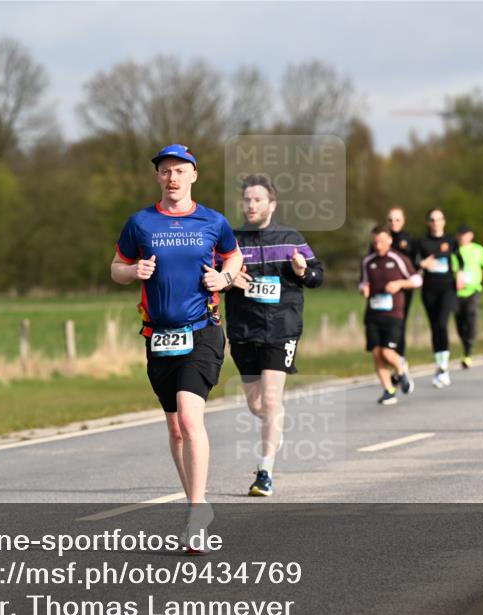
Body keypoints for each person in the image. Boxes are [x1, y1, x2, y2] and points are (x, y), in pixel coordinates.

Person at [110, 144, 243, 548]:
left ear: (193, 175)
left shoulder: (213, 221)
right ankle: (195, 503)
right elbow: (115, 268)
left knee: (188, 416)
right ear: (158, 177)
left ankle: (196, 514)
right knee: (175, 426)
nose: (173, 178)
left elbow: (234, 257)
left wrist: (224, 278)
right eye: (166, 171)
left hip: (202, 330)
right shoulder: (140, 222)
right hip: (159, 336)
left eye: (180, 171)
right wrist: (133, 271)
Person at [224, 174, 324, 497]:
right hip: (243, 330)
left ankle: (265, 471)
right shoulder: (231, 240)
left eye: (257, 200)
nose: (251, 205)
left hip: (282, 328)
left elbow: (317, 275)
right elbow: (212, 276)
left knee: (269, 399)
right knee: (257, 405)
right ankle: (275, 421)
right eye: (247, 200)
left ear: (272, 204)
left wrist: (302, 271)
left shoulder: (291, 238)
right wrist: (229, 279)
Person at [360, 225, 422, 405]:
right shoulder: (368, 261)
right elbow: (363, 282)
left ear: (389, 240)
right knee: (376, 353)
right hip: (373, 313)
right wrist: (364, 289)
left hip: (393, 313)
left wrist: (399, 284)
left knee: (387, 352)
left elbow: (417, 279)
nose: (378, 245)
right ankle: (388, 390)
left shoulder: (398, 259)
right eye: (375, 242)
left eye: (381, 241)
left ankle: (401, 369)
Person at [416, 208, 464, 388]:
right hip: (429, 288)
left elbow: (460, 260)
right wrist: (422, 264)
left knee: (442, 323)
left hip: (447, 288)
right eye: (432, 219)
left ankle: (444, 367)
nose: (436, 222)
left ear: (444, 221)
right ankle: (439, 366)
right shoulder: (422, 242)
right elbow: (416, 262)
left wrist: (460, 274)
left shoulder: (451, 240)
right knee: (435, 326)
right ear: (428, 222)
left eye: (439, 219)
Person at [367, 206, 417, 360]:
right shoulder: (378, 240)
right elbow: (369, 265)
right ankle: (386, 355)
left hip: (402, 289)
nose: (394, 223)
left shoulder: (409, 239)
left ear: (403, 221)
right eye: (390, 220)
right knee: (379, 323)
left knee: (399, 322)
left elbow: (415, 267)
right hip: (380, 291)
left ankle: (399, 357)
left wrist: (402, 283)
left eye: (397, 219)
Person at [454, 225, 483, 368]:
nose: (462, 237)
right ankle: (465, 343)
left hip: (473, 290)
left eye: (465, 234)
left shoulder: (478, 249)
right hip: (456, 292)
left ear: (471, 235)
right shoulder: (454, 249)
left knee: (471, 317)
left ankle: (468, 352)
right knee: (460, 323)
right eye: (460, 234)